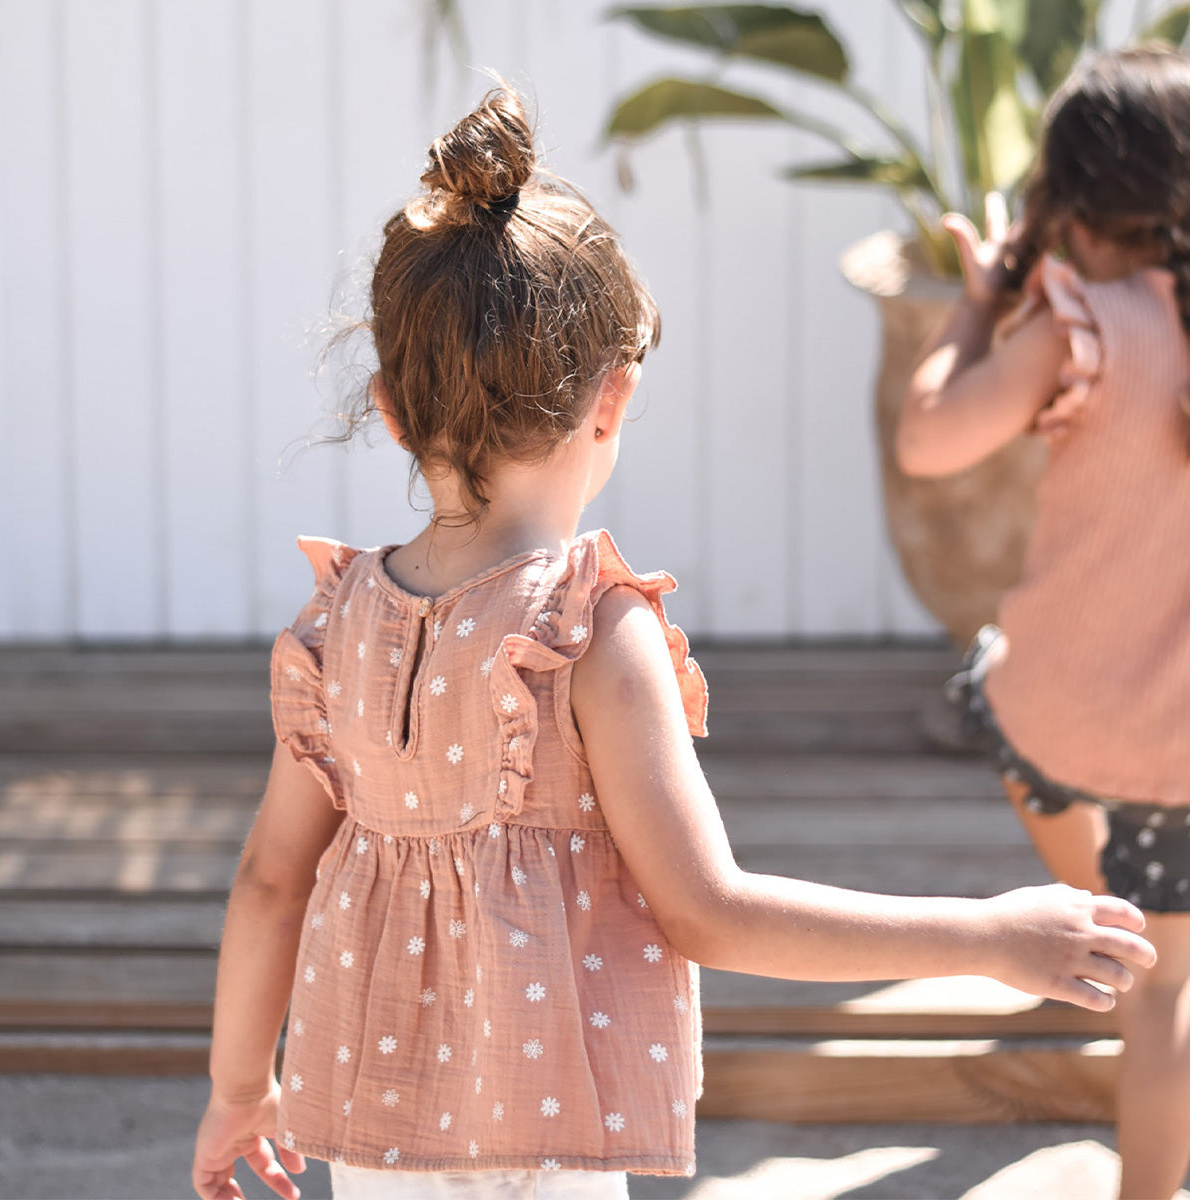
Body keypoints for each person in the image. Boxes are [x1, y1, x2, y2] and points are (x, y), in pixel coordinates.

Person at [192, 84, 1155, 1200]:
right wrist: (990, 935)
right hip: (545, 1147)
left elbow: (271, 880)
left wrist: (237, 1090)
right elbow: (710, 908)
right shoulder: (589, 631)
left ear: (393, 413)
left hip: (372, 1138)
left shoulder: (334, 626)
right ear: (613, 398)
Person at [898, 44, 1190, 1200]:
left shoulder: (1080, 328)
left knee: (997, 681)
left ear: (1066, 200)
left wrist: (979, 303)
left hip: (1069, 722)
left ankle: (1095, 926)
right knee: (1174, 989)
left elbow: (929, 441)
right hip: (1184, 751)